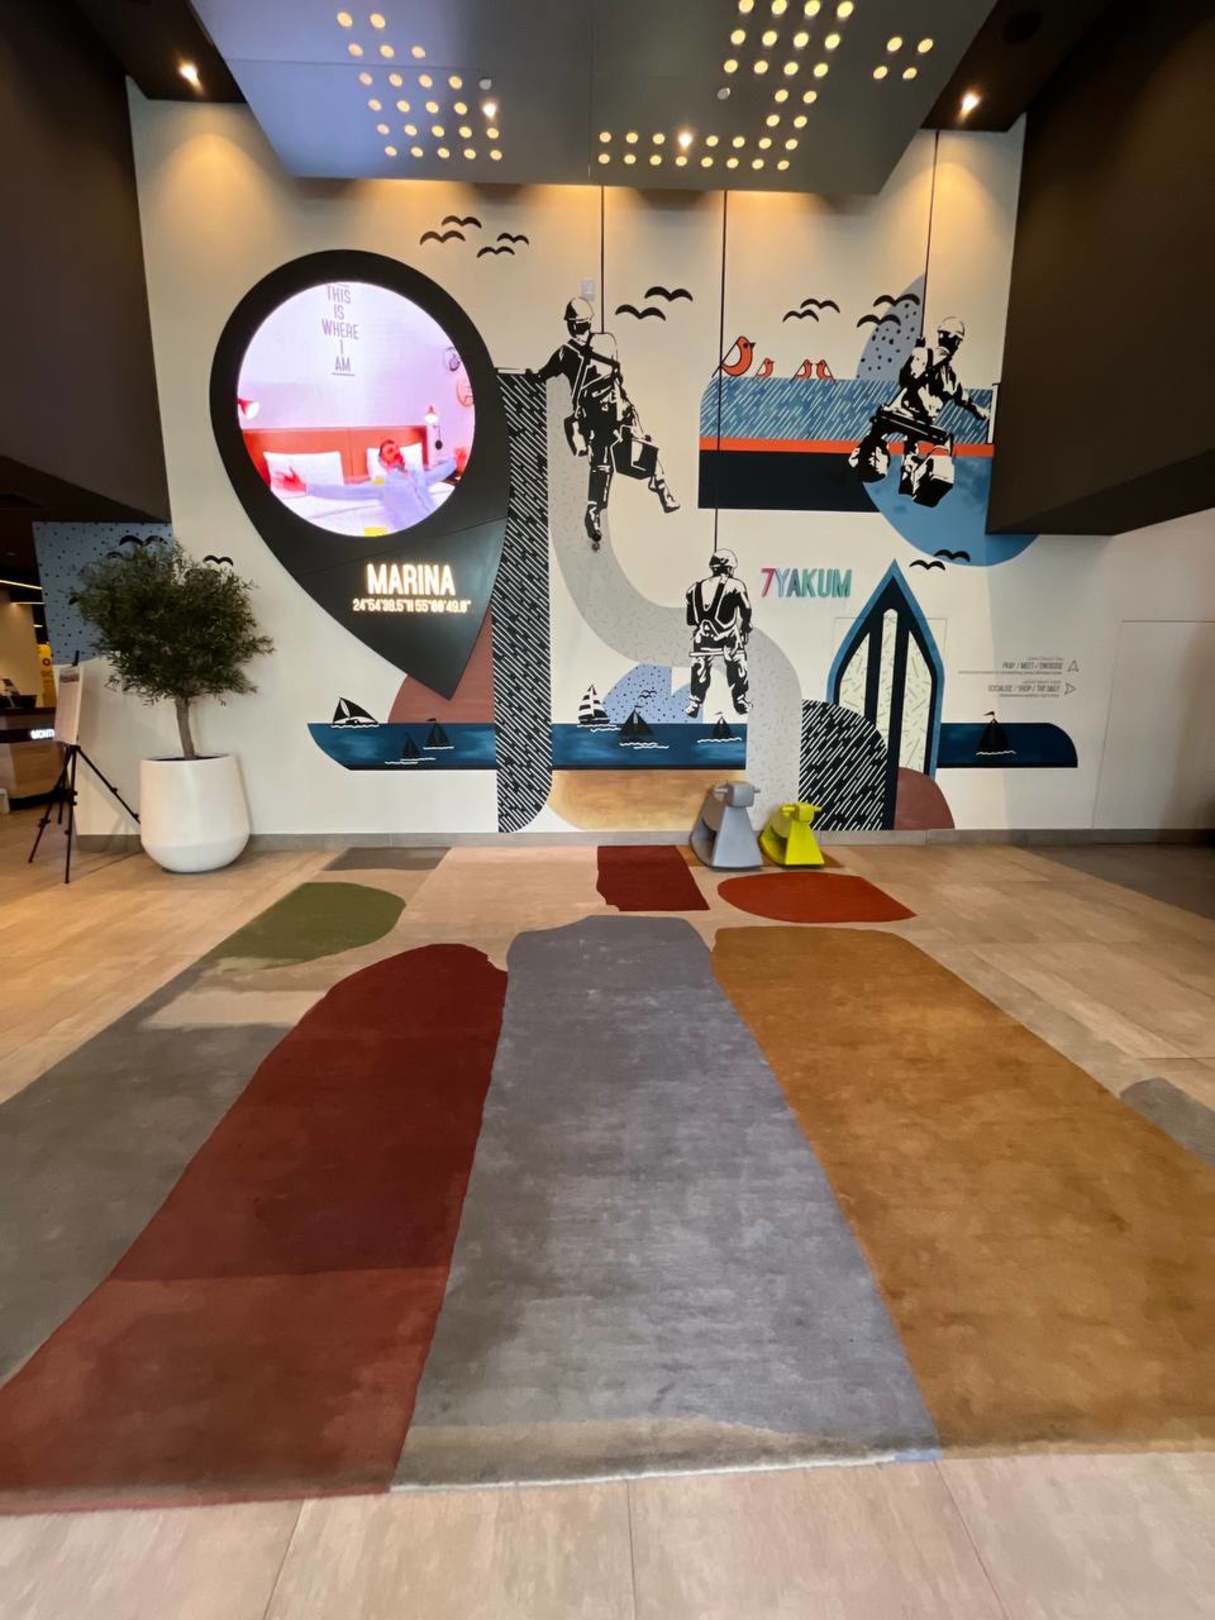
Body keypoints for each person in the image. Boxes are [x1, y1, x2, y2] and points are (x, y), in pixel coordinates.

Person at [530, 302, 678, 547]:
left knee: (602, 465)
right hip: (619, 408)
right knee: (638, 448)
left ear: (571, 325)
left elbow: (541, 375)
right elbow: (618, 375)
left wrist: (531, 375)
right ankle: (662, 490)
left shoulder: (565, 353)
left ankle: (594, 513)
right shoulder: (607, 341)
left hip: (596, 416)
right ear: (588, 322)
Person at [850, 315, 989, 487]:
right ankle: (906, 471)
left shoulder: (939, 367)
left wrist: (916, 352)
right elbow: (909, 379)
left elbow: (908, 378)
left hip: (903, 418)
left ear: (941, 336)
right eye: (958, 341)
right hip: (908, 419)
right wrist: (980, 411)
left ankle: (903, 470)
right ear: (955, 341)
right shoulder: (945, 373)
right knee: (935, 441)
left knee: (897, 438)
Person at [272, 437, 456, 530]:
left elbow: (436, 474)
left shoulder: (417, 474)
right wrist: (305, 487)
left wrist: (456, 461)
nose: (397, 452)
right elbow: (346, 491)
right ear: (382, 462)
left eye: (397, 449)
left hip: (443, 525)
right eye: (390, 451)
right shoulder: (382, 483)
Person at [685, 549, 752, 718]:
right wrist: (745, 626)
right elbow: (746, 609)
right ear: (729, 568)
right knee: (738, 660)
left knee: (699, 665)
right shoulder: (736, 585)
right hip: (727, 634)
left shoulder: (693, 589)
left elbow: (691, 620)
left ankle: (694, 703)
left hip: (703, 636)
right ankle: (740, 700)